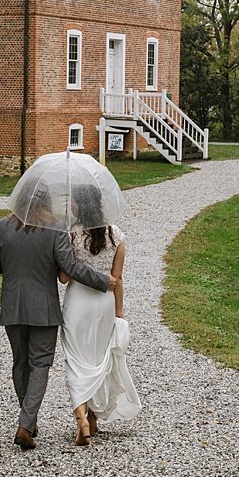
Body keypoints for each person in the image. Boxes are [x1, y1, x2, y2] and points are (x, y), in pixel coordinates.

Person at [0, 203, 119, 450]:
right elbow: (71, 267)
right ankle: (25, 424)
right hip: (43, 309)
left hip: (13, 305)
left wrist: (16, 266)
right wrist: (102, 281)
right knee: (40, 364)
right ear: (44, 204)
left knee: (20, 362)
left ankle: (28, 419)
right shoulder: (54, 230)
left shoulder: (0, 227)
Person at [57, 180, 142, 445]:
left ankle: (82, 417)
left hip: (78, 304)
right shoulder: (116, 234)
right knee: (97, 361)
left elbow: (63, 278)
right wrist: (119, 311)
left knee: (76, 360)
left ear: (80, 204)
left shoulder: (70, 234)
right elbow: (118, 278)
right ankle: (92, 418)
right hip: (104, 303)